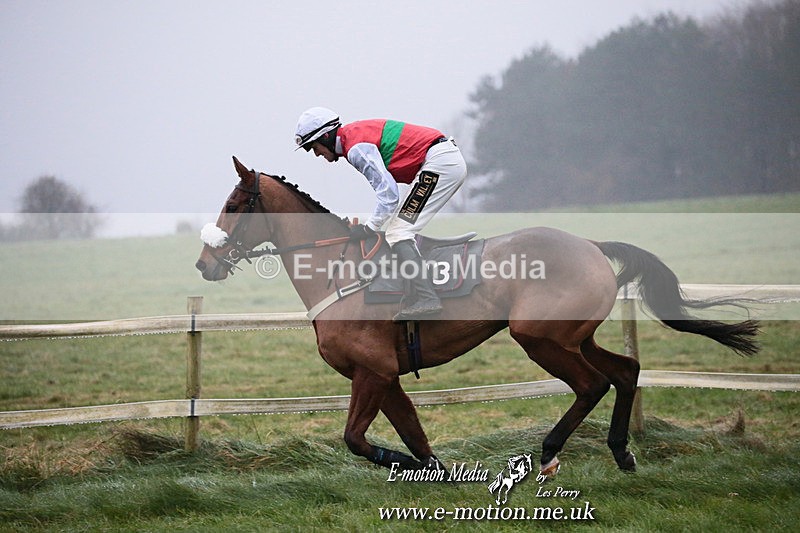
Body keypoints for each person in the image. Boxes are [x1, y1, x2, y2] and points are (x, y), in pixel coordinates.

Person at [294, 106, 467, 321]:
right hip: (440, 160)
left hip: (440, 164)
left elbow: (388, 193)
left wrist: (369, 228)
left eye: (313, 147)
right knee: (399, 227)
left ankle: (427, 298)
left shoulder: (355, 148)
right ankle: (417, 289)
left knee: (398, 232)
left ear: (326, 137)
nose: (316, 153)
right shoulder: (353, 138)